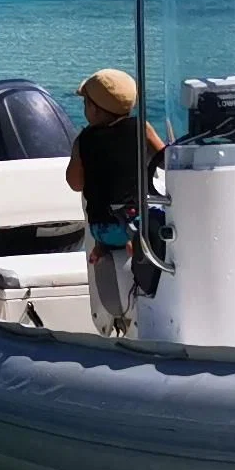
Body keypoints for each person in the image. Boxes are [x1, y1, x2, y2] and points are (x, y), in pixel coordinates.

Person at [65, 68, 164, 337]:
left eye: (85, 103)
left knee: (102, 211)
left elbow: (75, 183)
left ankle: (105, 245)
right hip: (138, 222)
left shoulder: (85, 139)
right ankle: (134, 245)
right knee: (145, 212)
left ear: (95, 111)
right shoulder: (141, 128)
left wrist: (81, 154)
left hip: (103, 227)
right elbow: (165, 158)